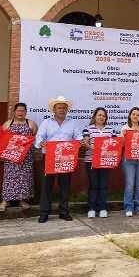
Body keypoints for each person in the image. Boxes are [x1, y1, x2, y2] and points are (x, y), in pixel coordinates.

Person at [35, 95, 84, 223]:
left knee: (65, 186)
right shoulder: (46, 122)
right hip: (50, 157)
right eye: (59, 108)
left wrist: (80, 142)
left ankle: (64, 212)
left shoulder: (72, 123)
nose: (61, 110)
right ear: (54, 110)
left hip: (66, 158)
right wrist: (41, 143)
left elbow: (78, 137)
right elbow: (39, 137)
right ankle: (44, 213)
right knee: (47, 186)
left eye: (63, 108)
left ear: (67, 110)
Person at [0, 103, 37, 211]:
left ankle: (23, 200)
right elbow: (2, 140)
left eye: (23, 110)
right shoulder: (7, 124)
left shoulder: (31, 124)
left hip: (26, 157)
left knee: (25, 178)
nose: (20, 113)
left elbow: (34, 137)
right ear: (14, 112)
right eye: (18, 110)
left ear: (26, 112)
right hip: (11, 157)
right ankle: (5, 201)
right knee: (9, 177)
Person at [82, 107, 114, 219]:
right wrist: (95, 148)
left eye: (103, 116)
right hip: (91, 161)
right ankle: (91, 208)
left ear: (106, 118)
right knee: (93, 185)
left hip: (105, 162)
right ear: (95, 116)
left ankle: (103, 208)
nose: (101, 117)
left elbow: (114, 145)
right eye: (99, 115)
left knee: (103, 186)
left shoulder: (110, 130)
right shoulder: (87, 129)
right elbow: (85, 143)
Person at [120, 107, 139, 217]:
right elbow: (122, 145)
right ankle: (128, 207)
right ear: (130, 116)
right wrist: (123, 137)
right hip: (128, 160)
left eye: (138, 114)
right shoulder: (125, 128)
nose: (135, 116)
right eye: (133, 114)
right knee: (130, 184)